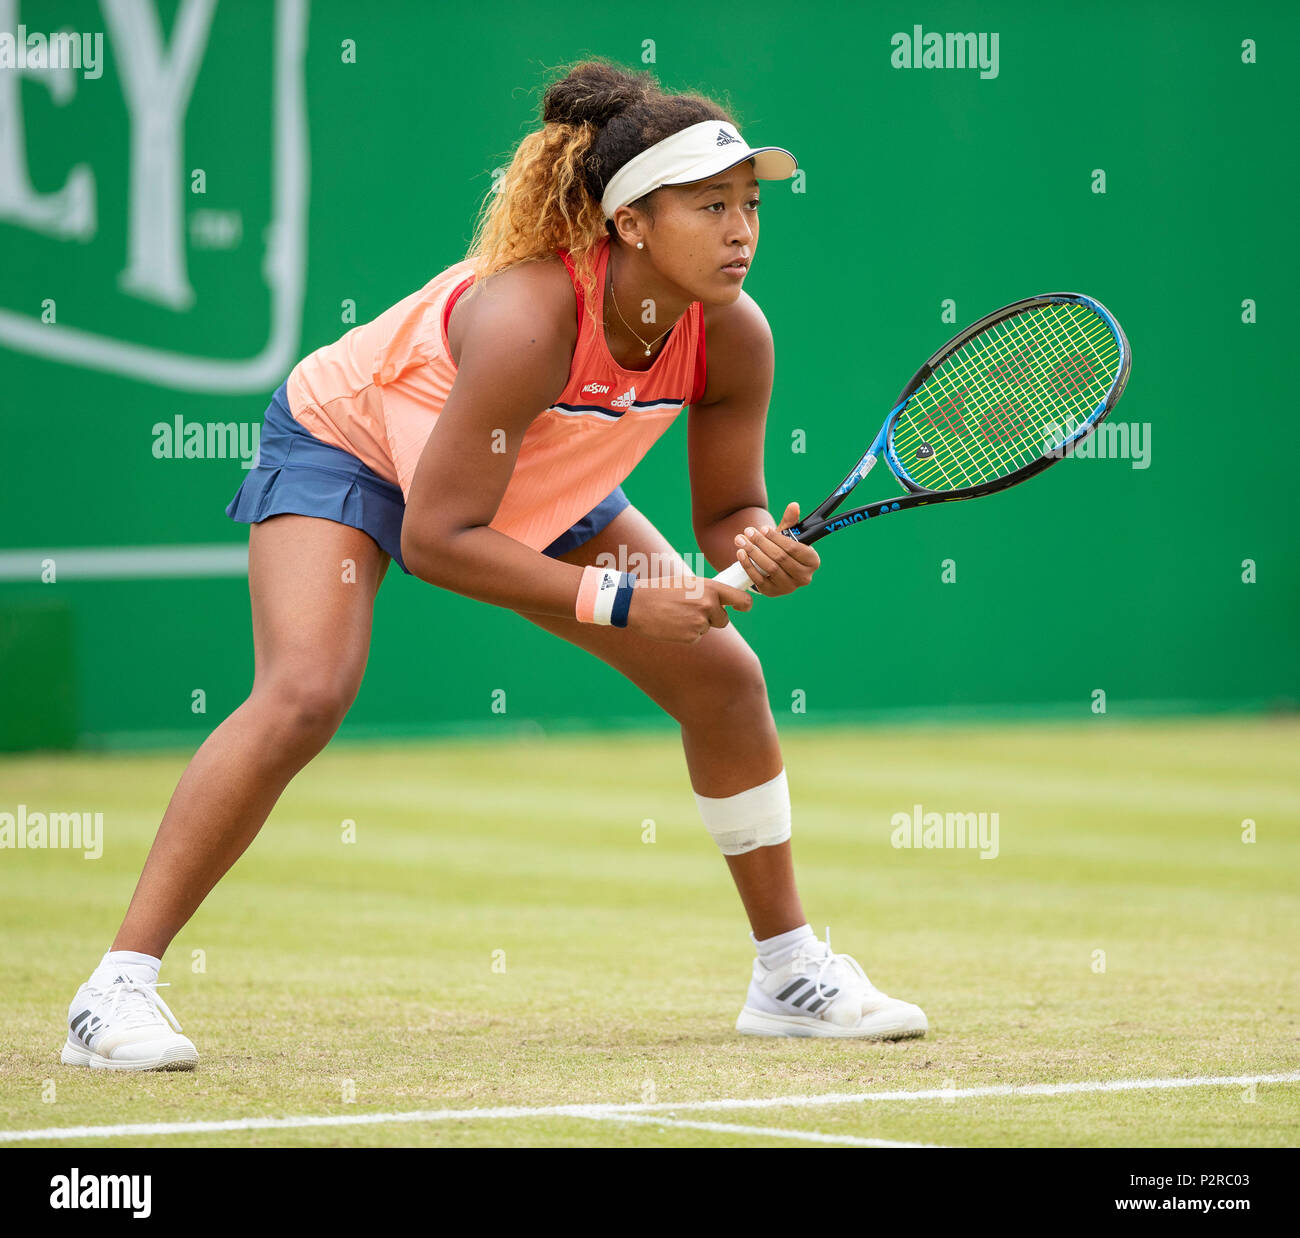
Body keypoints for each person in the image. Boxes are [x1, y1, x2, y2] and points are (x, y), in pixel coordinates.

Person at [60, 59, 926, 1072]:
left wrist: (756, 551)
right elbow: (437, 538)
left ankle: (788, 974)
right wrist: (620, 601)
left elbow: (727, 510)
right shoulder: (529, 317)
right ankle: (114, 986)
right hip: (355, 449)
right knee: (305, 691)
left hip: (534, 468)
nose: (742, 231)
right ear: (632, 224)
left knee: (725, 676)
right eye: (710, 207)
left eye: (749, 206)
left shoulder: (732, 336)